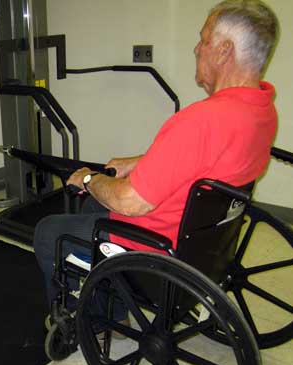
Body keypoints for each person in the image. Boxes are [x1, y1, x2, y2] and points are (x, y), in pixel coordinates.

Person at [34, 0, 279, 316]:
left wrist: (87, 178)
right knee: (93, 204)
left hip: (156, 249)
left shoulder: (202, 120)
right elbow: (207, 159)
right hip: (206, 246)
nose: (196, 49)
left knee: (49, 231)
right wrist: (140, 162)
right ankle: (112, 298)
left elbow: (130, 204)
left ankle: (87, 318)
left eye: (203, 40)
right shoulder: (261, 110)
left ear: (224, 52)